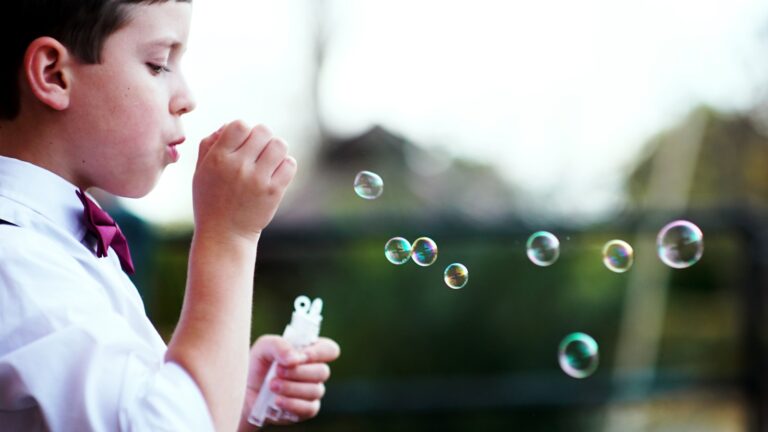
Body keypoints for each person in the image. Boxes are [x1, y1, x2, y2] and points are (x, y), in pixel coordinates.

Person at [0, 1, 340, 431]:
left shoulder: (50, 244)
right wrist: (229, 237)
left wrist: (227, 395)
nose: (187, 99)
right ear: (53, 74)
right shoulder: (16, 262)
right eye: (159, 64)